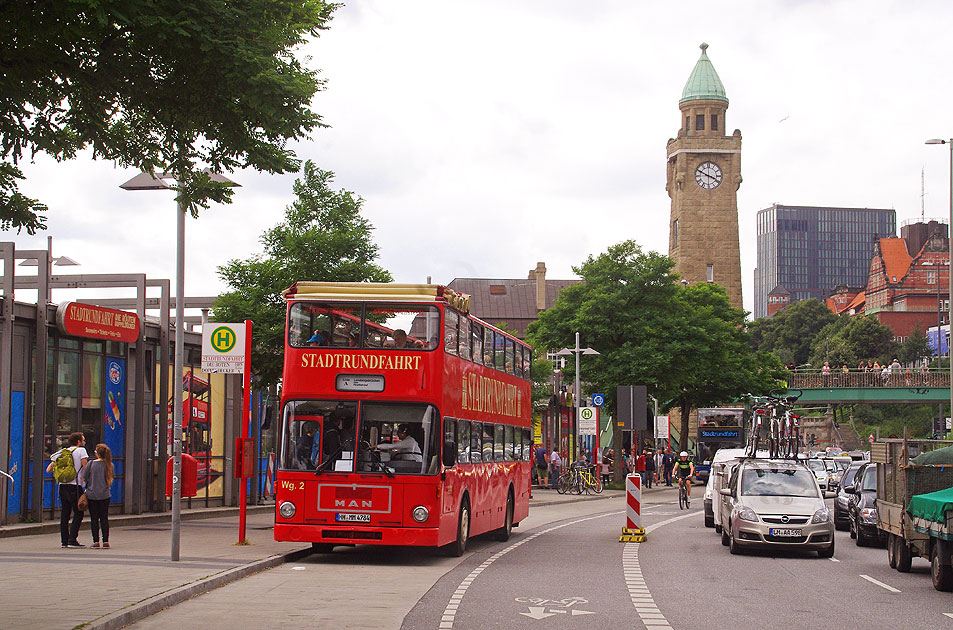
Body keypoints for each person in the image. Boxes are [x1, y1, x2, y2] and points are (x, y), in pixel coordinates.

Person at [46, 432, 89, 548]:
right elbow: (85, 467)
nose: (84, 442)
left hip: (63, 486)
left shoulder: (63, 452)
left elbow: (48, 469)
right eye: (83, 440)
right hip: (76, 485)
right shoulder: (81, 451)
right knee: (78, 513)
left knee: (65, 514)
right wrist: (88, 481)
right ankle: (72, 540)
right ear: (79, 442)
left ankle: (64, 541)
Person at [80, 444, 114, 549]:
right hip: (105, 494)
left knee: (94, 519)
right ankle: (106, 541)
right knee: (104, 518)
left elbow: (85, 478)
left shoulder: (91, 464)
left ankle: (96, 541)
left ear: (97, 454)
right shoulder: (110, 465)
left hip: (92, 494)